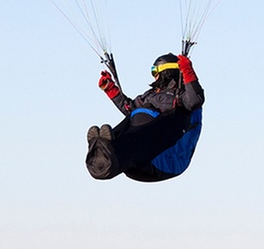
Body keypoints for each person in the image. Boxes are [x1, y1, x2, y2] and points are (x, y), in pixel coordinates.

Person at [85, 52, 205, 182]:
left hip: (165, 157)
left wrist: (187, 71)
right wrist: (111, 89)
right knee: (135, 115)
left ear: (167, 71)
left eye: (155, 71)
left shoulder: (180, 96)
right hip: (141, 156)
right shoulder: (150, 95)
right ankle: (102, 148)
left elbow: (195, 101)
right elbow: (129, 108)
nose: (154, 76)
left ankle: (109, 151)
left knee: (143, 117)